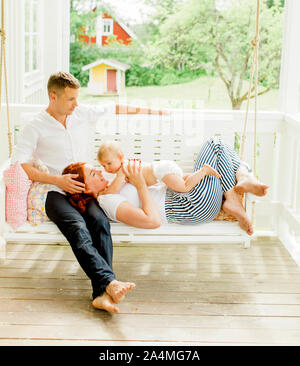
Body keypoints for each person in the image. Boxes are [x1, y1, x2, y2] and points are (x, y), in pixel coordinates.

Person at [11, 71, 166, 314]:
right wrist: (57, 180)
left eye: (77, 98)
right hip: (56, 192)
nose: (76, 104)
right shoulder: (35, 127)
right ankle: (109, 284)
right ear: (53, 96)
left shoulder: (81, 114)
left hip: (84, 192)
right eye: (70, 99)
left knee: (100, 222)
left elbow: (115, 107)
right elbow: (21, 164)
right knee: (77, 227)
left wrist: (155, 112)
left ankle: (102, 293)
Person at [65, 137, 269, 236]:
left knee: (223, 152)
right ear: (83, 188)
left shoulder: (112, 187)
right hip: (188, 205)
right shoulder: (107, 199)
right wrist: (140, 184)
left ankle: (239, 184)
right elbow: (152, 221)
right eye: (94, 173)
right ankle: (242, 179)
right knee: (215, 144)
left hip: (187, 199)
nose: (101, 171)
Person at [97, 140, 221, 192]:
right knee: (182, 179)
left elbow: (114, 190)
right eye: (103, 166)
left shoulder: (123, 169)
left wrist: (103, 193)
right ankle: (199, 175)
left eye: (109, 163)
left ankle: (204, 170)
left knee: (184, 187)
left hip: (160, 171)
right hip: (162, 169)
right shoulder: (125, 166)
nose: (107, 168)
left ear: (120, 158)